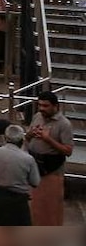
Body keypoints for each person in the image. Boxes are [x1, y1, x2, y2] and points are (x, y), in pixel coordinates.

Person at [24, 91, 74, 226]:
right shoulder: (37, 117)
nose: (41, 109)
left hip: (52, 170)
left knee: (51, 209)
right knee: (35, 207)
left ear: (55, 106)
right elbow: (27, 138)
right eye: (40, 105)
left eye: (45, 106)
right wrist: (30, 134)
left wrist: (48, 139)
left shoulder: (64, 124)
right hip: (35, 167)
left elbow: (68, 151)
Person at [0, 125, 40, 226]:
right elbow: (35, 182)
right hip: (18, 202)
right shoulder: (28, 159)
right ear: (21, 140)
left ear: (6, 138)